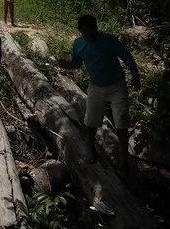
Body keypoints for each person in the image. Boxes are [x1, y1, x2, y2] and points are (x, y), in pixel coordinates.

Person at [56, 14, 141, 179]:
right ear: (80, 31)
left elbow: (127, 57)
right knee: (91, 121)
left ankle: (124, 161)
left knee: (121, 123)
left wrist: (135, 77)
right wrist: (67, 64)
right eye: (84, 31)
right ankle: (92, 150)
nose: (88, 34)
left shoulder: (108, 40)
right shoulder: (78, 44)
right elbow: (77, 63)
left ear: (96, 28)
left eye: (91, 30)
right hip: (96, 87)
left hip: (117, 85)